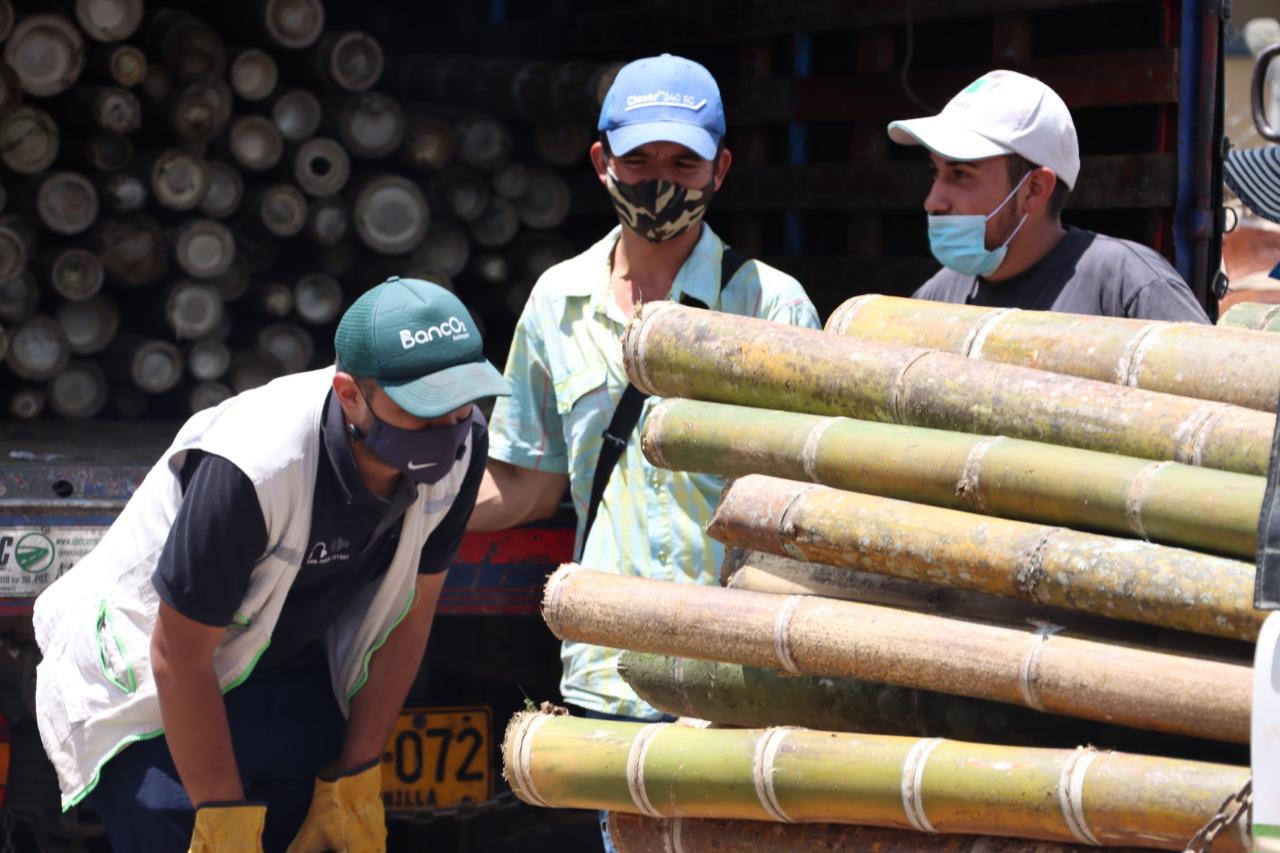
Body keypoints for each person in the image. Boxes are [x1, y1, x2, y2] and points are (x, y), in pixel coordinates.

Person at [466, 53, 820, 850]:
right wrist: (405, 507)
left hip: (735, 675)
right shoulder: (558, 301)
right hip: (607, 674)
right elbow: (527, 482)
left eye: (683, 163)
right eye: (640, 161)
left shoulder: (771, 305)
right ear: (602, 162)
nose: (660, 181)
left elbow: (810, 502)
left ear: (720, 169)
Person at [33, 277, 509, 853]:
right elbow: (177, 655)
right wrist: (223, 822)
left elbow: (411, 616)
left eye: (460, 405)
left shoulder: (463, 446)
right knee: (176, 820)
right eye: (422, 411)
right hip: (155, 689)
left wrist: (354, 777)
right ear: (350, 395)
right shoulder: (254, 467)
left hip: (282, 667)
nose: (446, 430)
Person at [888, 69, 1211, 322]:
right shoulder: (938, 297)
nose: (933, 201)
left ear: (1034, 190)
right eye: (936, 173)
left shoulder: (1127, 288)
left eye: (961, 174)